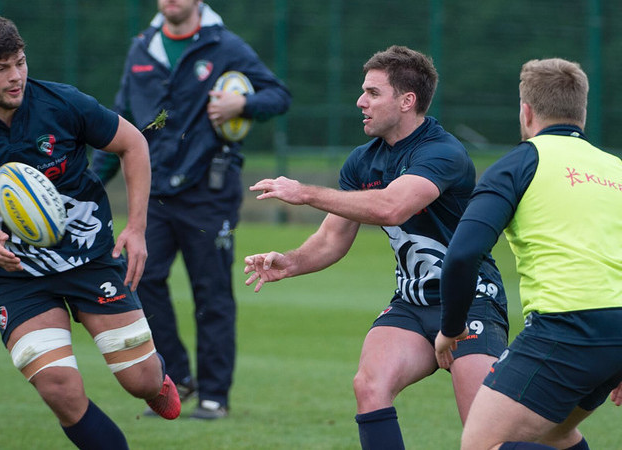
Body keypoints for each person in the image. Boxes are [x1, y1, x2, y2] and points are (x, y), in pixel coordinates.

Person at [0, 14, 181, 449]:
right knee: (60, 388)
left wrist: (137, 228)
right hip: (16, 275)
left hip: (88, 256)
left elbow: (133, 143)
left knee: (140, 379)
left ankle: (156, 380)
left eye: (20, 62)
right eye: (1, 68)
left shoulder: (62, 104)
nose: (16, 76)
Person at [244, 45, 508, 449]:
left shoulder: (443, 153)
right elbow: (332, 238)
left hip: (470, 300)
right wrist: (291, 262)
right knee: (369, 386)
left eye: (372, 92)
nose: (360, 101)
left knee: (484, 435)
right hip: (412, 303)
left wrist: (305, 193)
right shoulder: (362, 161)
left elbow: (391, 207)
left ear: (407, 101)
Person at [91, 0, 291, 419]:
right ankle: (177, 376)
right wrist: (89, 186)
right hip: (154, 194)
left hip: (209, 193)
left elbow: (278, 96)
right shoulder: (142, 48)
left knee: (211, 292)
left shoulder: (225, 45)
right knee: (140, 280)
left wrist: (242, 105)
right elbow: (120, 122)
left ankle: (215, 394)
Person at [435, 58, 622, 450]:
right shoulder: (615, 168)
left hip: (567, 327)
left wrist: (450, 329)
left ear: (526, 111)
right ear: (581, 113)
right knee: (556, 435)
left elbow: (462, 254)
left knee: (480, 445)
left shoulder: (518, 164)